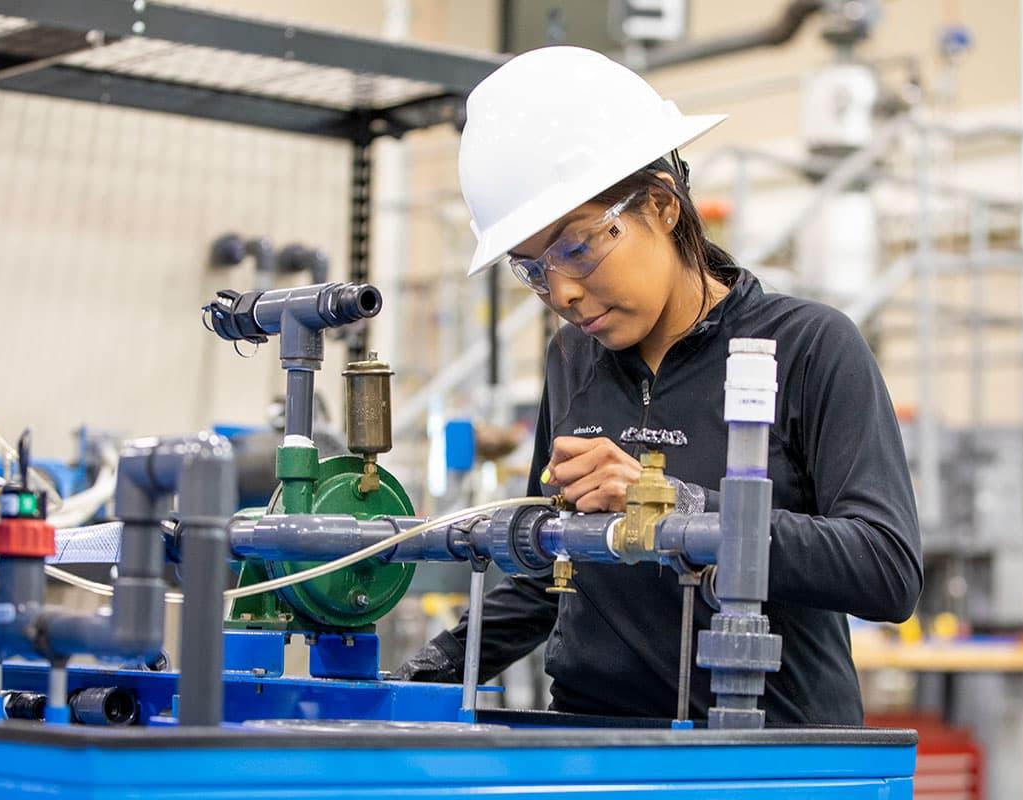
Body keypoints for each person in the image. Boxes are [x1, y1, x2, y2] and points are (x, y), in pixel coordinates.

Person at [395, 46, 922, 726]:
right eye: (531, 269)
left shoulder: (810, 347)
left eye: (579, 245)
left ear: (664, 207)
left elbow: (886, 569)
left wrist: (679, 508)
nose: (562, 291)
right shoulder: (572, 359)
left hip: (767, 755)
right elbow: (549, 571)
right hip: (592, 742)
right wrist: (419, 675)